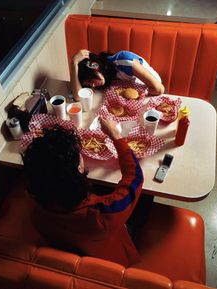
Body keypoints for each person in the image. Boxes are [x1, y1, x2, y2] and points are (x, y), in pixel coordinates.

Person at [22, 117, 144, 267]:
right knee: (144, 208)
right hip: (109, 263)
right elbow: (135, 177)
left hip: (64, 247)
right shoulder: (102, 216)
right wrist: (116, 135)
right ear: (79, 168)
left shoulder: (30, 199)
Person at [71, 49, 165, 101]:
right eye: (88, 84)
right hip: (132, 97)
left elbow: (160, 89)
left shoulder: (124, 61)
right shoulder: (104, 76)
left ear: (95, 66)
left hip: (153, 92)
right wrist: (74, 65)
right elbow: (78, 97)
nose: (92, 85)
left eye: (91, 80)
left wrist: (130, 95)